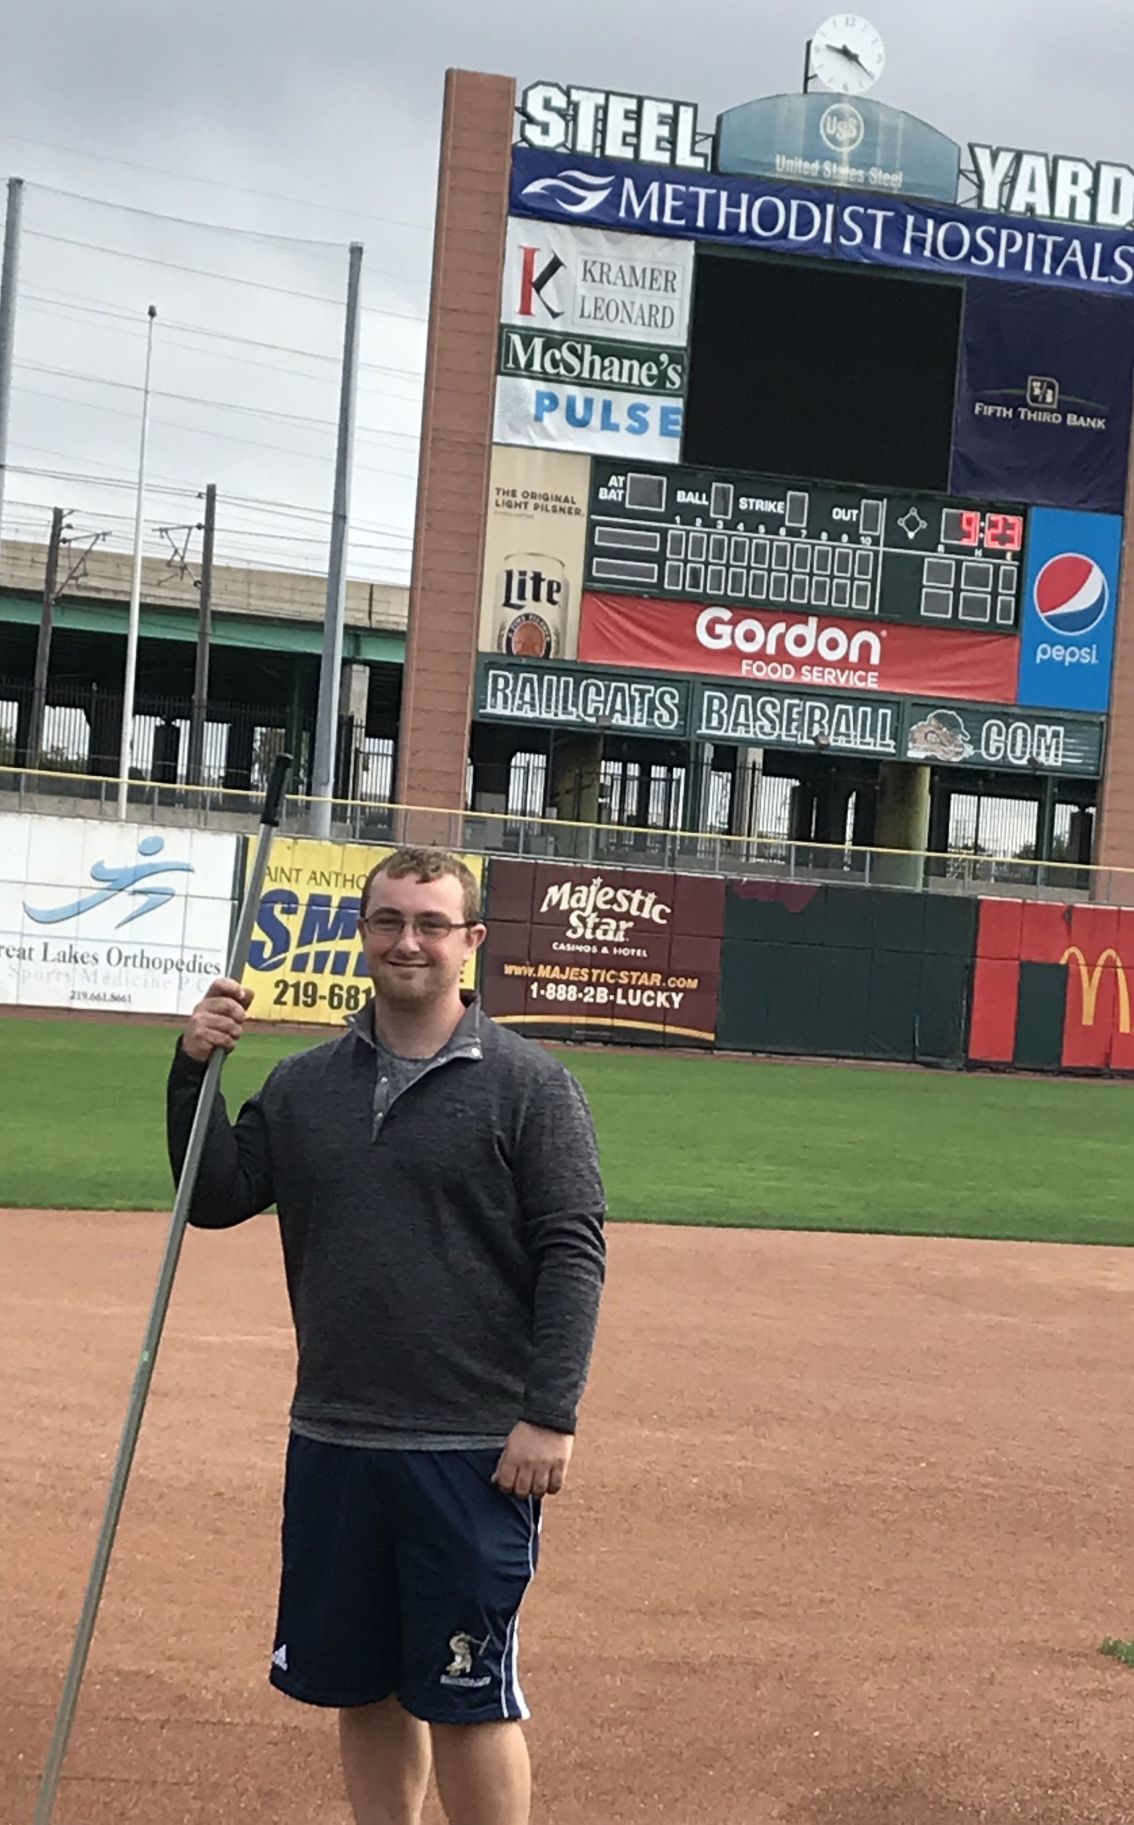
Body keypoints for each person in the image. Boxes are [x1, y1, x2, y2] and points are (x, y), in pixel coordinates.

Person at [166, 845, 607, 1825]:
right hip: (336, 1433)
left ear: (471, 943)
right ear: (363, 933)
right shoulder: (301, 1085)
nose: (408, 941)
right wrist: (192, 1067)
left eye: (432, 924)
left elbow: (573, 1253)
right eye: (389, 921)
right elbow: (214, 1194)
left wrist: (551, 1413)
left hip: (471, 1445)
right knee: (359, 1684)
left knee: (465, 1695)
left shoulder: (533, 1087)